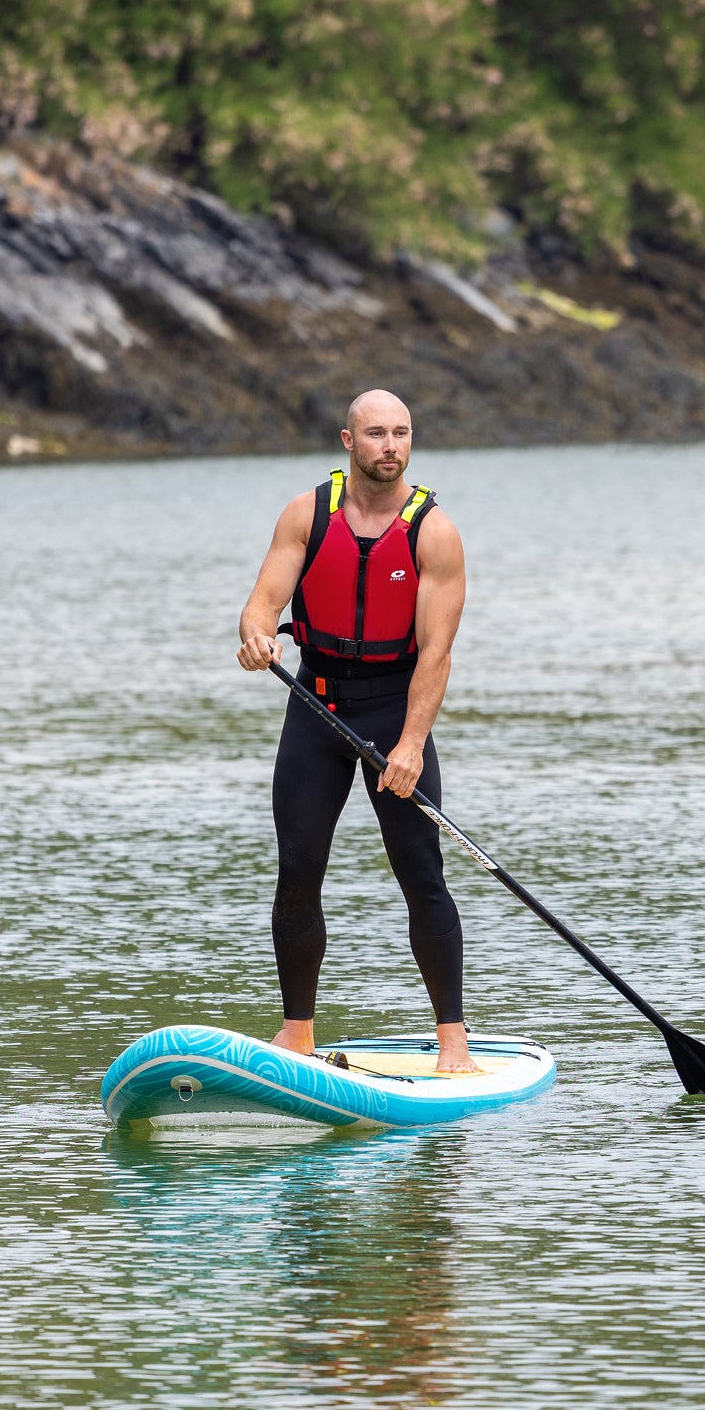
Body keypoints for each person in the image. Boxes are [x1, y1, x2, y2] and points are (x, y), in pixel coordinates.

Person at [236, 389, 479, 1073]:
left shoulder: (433, 531)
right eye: (376, 433)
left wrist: (408, 744)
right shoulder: (307, 514)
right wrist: (257, 637)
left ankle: (453, 1042)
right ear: (349, 441)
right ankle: (297, 1032)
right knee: (297, 871)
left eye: (401, 433)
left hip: (392, 710)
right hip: (314, 708)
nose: (390, 446)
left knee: (421, 875)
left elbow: (436, 654)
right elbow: (262, 605)